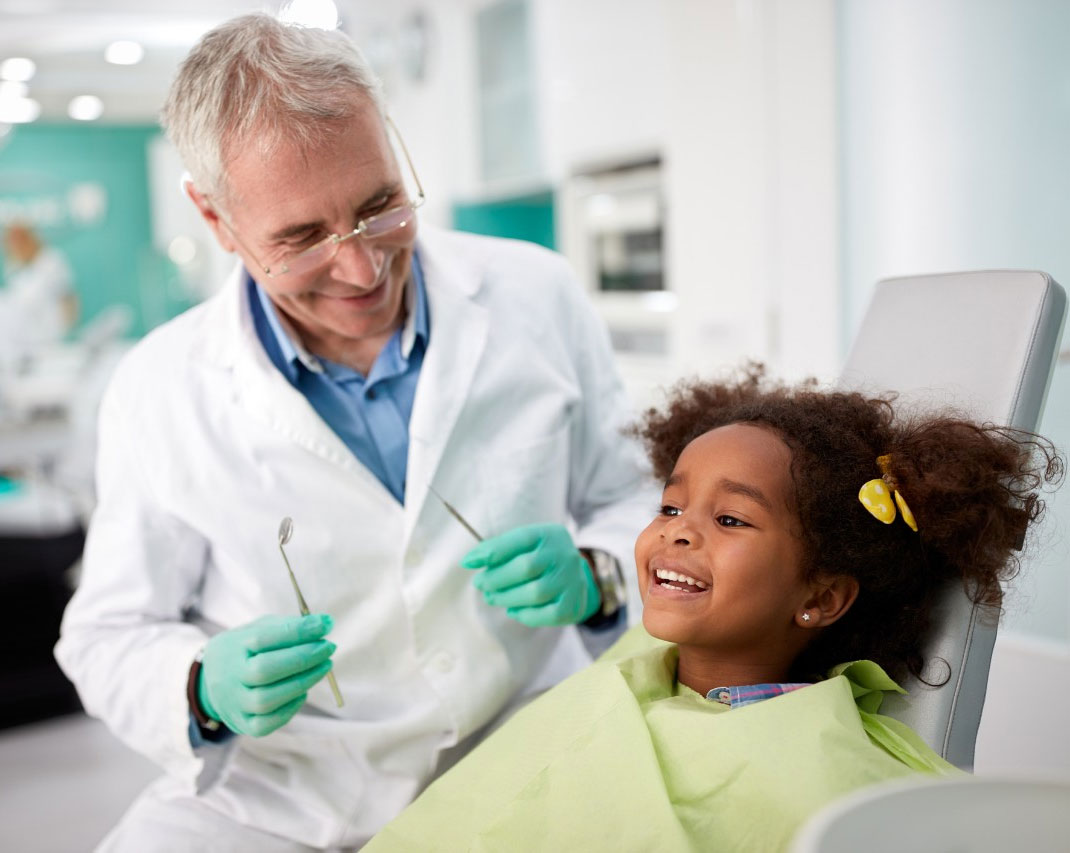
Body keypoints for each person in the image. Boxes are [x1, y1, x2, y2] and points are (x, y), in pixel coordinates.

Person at [54, 13, 652, 850]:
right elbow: (108, 634)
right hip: (287, 794)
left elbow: (633, 497)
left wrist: (600, 572)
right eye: (300, 239)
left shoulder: (537, 296)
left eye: (379, 206)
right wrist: (198, 688)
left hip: (524, 742)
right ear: (217, 220)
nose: (362, 268)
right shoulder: (159, 390)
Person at [366, 366, 1062, 852]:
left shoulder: (818, 766)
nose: (677, 529)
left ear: (820, 598)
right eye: (670, 505)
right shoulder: (639, 658)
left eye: (730, 519)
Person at [0, 223, 78, 370]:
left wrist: (67, 333)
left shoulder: (51, 262)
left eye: (19, 241)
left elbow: (68, 298)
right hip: (25, 345)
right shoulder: (13, 266)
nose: (15, 247)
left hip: (52, 341)